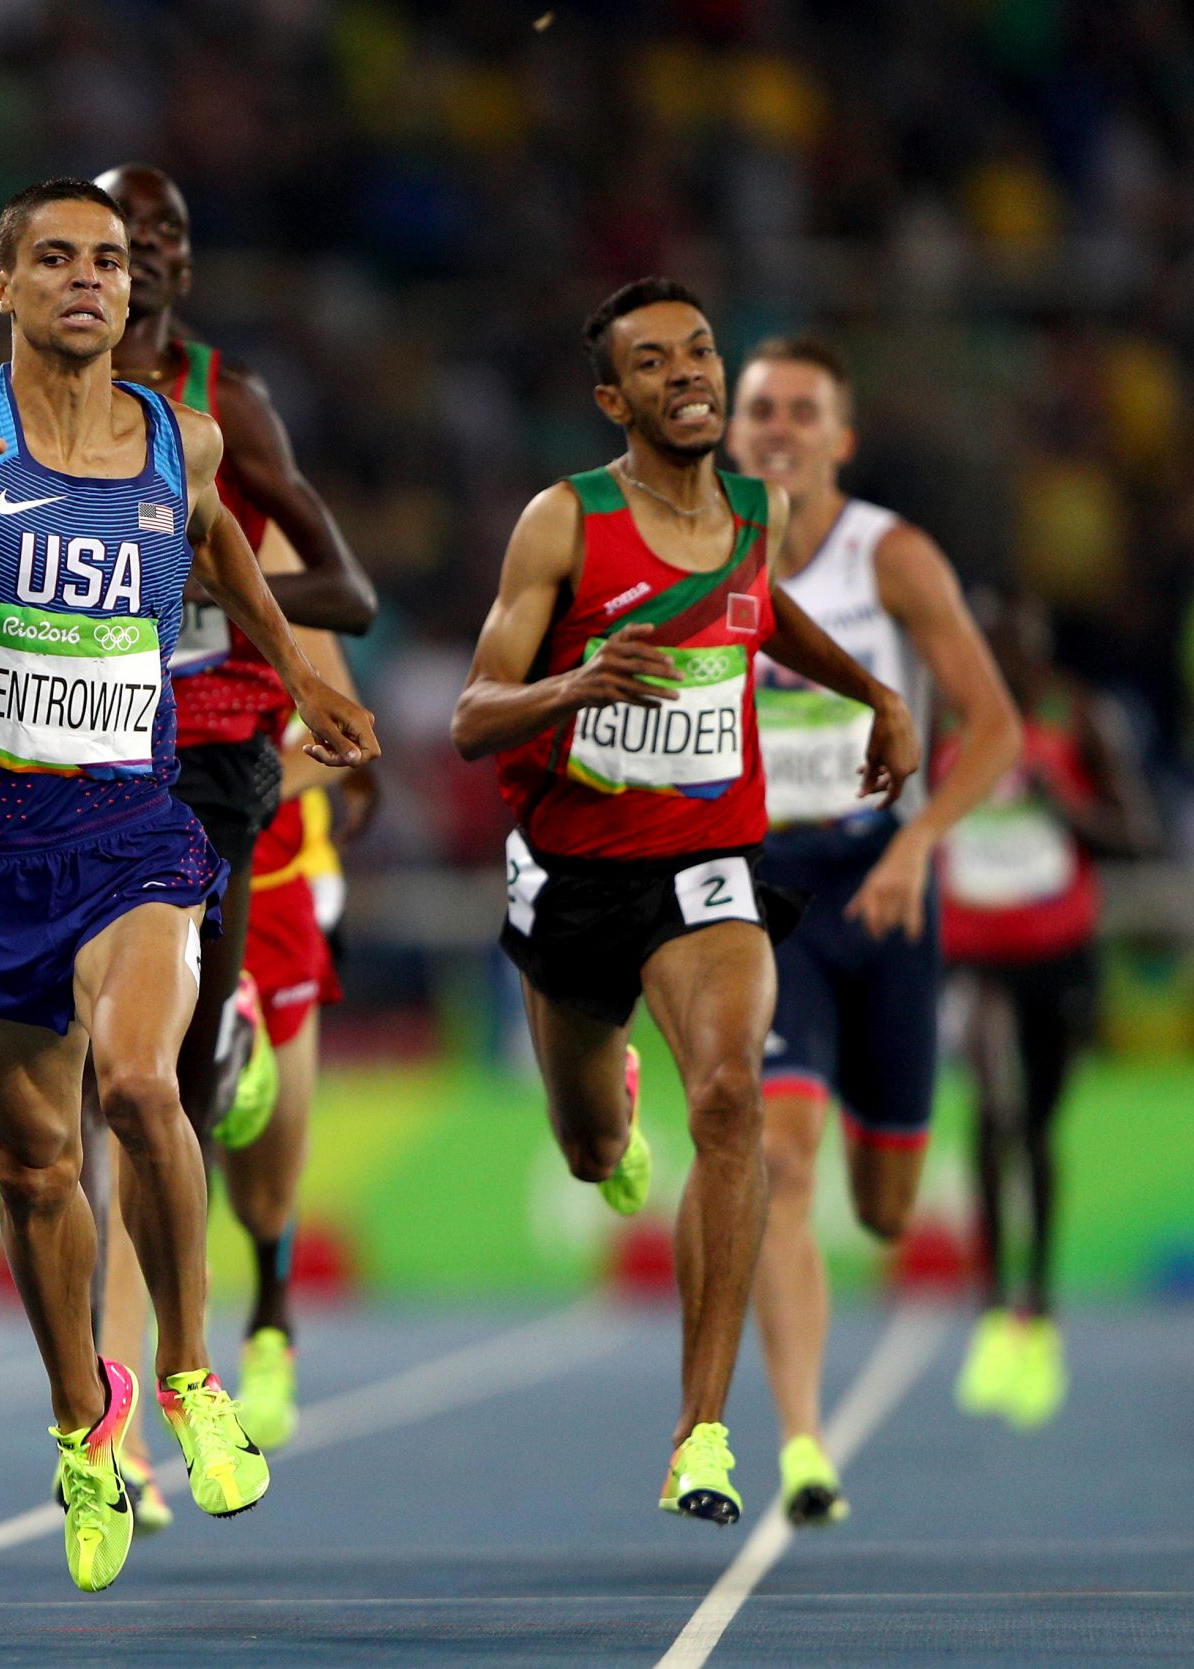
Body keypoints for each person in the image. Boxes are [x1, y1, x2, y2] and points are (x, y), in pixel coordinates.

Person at [0, 177, 376, 1592]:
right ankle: (84, 1424)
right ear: (1, 285)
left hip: (135, 828)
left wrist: (299, 667)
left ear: (135, 292)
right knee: (36, 1165)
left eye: (110, 263)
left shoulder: (176, 434)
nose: (90, 280)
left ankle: (188, 1373)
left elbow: (221, 540)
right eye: (56, 259)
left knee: (142, 1084)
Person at [449, 278, 919, 1528]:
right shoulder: (564, 524)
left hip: (706, 866)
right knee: (592, 1147)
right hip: (571, 877)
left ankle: (700, 1434)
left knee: (735, 1096)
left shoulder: (755, 512)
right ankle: (614, 1106)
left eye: (699, 350)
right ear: (613, 398)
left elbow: (770, 619)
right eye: (653, 362)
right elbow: (469, 718)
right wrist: (579, 686)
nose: (689, 373)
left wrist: (875, 691)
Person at [79, 164, 381, 1472]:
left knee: (165, 1094)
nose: (135, 254)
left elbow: (350, 589)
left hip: (208, 754)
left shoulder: (226, 404)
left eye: (160, 236)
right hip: (64, 750)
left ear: (181, 266)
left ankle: (177, 1385)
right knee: (102, 1099)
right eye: (110, 235)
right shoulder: (14, 410)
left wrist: (222, 569)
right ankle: (114, 1419)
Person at [726, 336, 1023, 1526]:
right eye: (760, 412)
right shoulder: (700, 558)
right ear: (731, 432)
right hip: (764, 890)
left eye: (802, 412)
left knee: (887, 1205)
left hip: (884, 882)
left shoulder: (888, 555)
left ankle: (884, 1167)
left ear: (838, 438)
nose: (778, 430)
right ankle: (803, 1442)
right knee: (777, 1157)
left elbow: (993, 726)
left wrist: (914, 842)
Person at [940, 590, 1159, 1429]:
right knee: (994, 1108)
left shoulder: (1080, 719)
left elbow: (1138, 832)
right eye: (980, 652)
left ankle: (1040, 1303)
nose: (995, 669)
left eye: (1009, 654)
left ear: (1038, 658)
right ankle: (996, 1312)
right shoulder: (948, 719)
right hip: (976, 949)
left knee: (1035, 1127)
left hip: (1059, 949)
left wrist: (1064, 809)